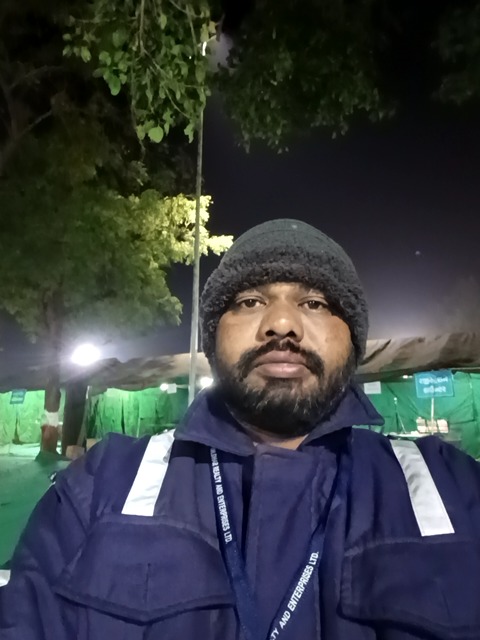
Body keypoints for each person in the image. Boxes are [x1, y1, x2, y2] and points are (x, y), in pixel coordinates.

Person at [1, 218, 480, 640]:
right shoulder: (101, 487)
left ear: (353, 340)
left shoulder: (452, 489)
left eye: (315, 303)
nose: (282, 324)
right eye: (250, 301)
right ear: (212, 337)